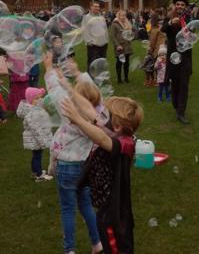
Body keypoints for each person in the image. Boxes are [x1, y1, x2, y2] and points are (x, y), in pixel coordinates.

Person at [61, 94, 143, 254]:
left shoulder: (125, 144)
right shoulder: (114, 132)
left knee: (116, 249)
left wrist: (78, 119)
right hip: (107, 209)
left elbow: (102, 140)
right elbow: (91, 112)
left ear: (117, 125)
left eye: (105, 115)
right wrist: (69, 89)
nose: (99, 116)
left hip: (114, 216)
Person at [43, 53, 103, 254]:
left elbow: (54, 90)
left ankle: (69, 249)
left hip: (67, 167)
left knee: (68, 209)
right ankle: (97, 243)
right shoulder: (96, 115)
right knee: (85, 205)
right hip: (85, 167)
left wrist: (49, 68)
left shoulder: (68, 109)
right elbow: (93, 92)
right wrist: (77, 74)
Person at [161, 0, 193, 124]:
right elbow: (163, 29)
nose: (180, 6)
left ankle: (181, 112)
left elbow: (194, 35)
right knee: (175, 85)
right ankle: (176, 105)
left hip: (185, 58)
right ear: (175, 6)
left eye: (182, 5)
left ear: (185, 7)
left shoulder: (189, 20)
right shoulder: (169, 18)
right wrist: (170, 23)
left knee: (184, 85)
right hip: (173, 57)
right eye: (178, 4)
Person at [16, 87, 53, 181]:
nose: (40, 100)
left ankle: (35, 171)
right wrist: (42, 141)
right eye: (37, 98)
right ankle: (39, 175)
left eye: (40, 98)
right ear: (31, 100)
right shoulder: (32, 113)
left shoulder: (33, 108)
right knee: (37, 156)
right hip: (36, 139)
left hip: (34, 139)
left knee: (35, 155)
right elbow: (36, 129)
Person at [82, 1, 109, 72]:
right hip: (93, 45)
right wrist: (89, 42)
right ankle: (90, 79)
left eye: (98, 6)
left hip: (103, 44)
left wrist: (106, 39)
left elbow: (105, 29)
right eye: (95, 6)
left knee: (102, 62)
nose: (97, 8)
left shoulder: (101, 17)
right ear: (91, 7)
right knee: (92, 62)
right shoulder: (86, 17)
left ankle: (100, 78)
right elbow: (84, 31)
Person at [110, 10, 133, 84]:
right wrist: (118, 45)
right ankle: (119, 79)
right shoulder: (115, 24)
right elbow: (113, 36)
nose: (123, 17)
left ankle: (126, 78)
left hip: (127, 46)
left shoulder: (127, 23)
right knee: (119, 63)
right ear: (118, 16)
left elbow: (130, 34)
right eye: (122, 15)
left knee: (126, 63)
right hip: (120, 47)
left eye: (124, 15)